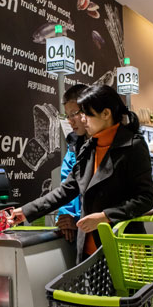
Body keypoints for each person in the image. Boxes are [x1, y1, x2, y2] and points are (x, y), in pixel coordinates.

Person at [8, 85, 153, 262]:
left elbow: (145, 198)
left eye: (86, 114)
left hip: (125, 250)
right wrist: (25, 211)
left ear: (106, 114)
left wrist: (105, 216)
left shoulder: (133, 146)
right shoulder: (88, 147)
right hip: (88, 250)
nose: (81, 120)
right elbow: (67, 189)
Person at [56, 84, 88, 244]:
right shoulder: (74, 147)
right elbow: (67, 187)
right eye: (67, 116)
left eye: (74, 114)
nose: (70, 121)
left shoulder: (123, 145)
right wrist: (66, 217)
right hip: (84, 235)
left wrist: (79, 220)